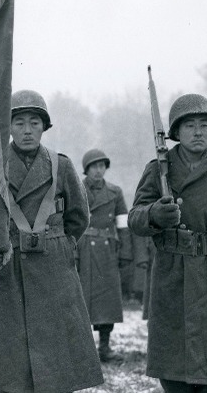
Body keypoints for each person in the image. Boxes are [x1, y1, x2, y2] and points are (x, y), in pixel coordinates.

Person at [0, 90, 104, 392]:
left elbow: (79, 217)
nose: (27, 130)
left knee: (57, 364)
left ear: (44, 127)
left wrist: (60, 245)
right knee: (14, 369)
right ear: (7, 129)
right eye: (18, 123)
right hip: (9, 266)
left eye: (34, 123)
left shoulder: (61, 165)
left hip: (54, 269)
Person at [128, 93, 207, 392]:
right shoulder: (158, 169)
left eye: (204, 125)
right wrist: (156, 214)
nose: (198, 132)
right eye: (190, 126)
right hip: (172, 272)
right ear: (175, 133)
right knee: (172, 365)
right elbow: (135, 217)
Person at [76, 148, 134, 362]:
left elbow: (123, 224)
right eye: (94, 167)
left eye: (102, 166)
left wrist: (126, 252)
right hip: (82, 250)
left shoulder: (115, 192)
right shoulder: (76, 190)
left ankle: (105, 346)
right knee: (82, 299)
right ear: (86, 170)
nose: (98, 171)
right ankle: (83, 348)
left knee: (107, 300)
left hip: (108, 250)